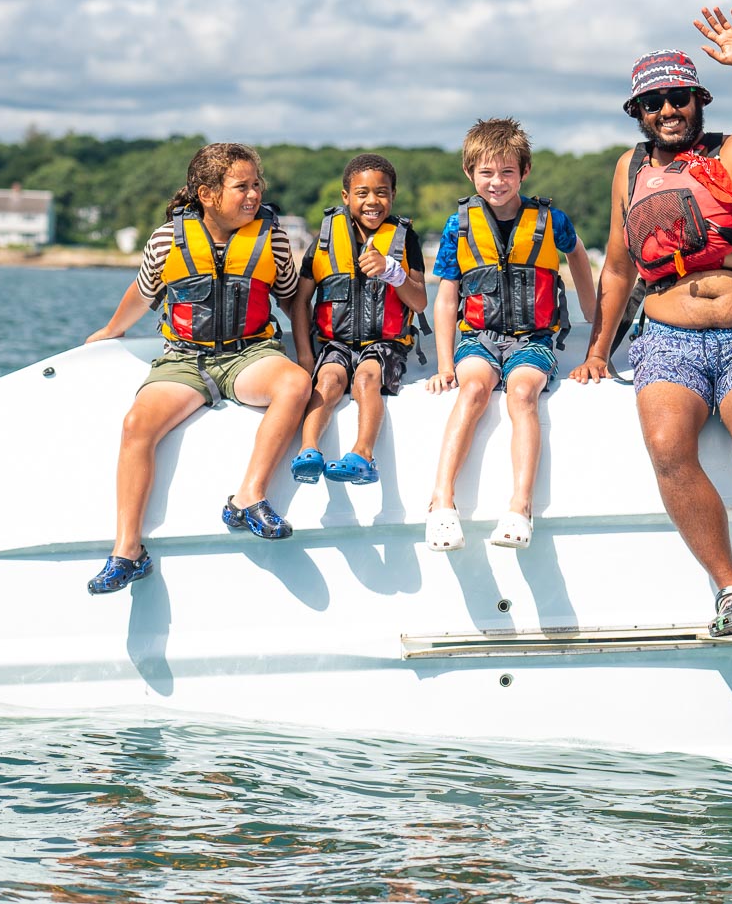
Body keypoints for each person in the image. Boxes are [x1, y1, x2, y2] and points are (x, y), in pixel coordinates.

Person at [569, 7, 732, 636]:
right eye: (653, 103)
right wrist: (598, 349)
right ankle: (730, 589)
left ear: (698, 101)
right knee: (668, 448)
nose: (667, 111)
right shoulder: (628, 168)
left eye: (678, 98)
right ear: (638, 112)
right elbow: (617, 268)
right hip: (666, 336)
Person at [82, 143, 312, 594]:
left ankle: (249, 496)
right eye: (241, 186)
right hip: (186, 358)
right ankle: (128, 550)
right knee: (136, 426)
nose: (253, 195)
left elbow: (291, 299)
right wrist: (109, 330)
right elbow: (142, 292)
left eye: (256, 185)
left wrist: (306, 354)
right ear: (207, 193)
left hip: (250, 354)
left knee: (295, 384)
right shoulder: (167, 239)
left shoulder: (274, 239)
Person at [425, 118, 597, 551]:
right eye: (486, 172)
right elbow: (446, 299)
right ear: (470, 174)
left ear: (524, 172)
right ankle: (441, 503)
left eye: (506, 172)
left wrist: (592, 315)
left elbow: (576, 254)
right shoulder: (457, 225)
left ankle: (520, 508)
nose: (497, 182)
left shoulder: (550, 220)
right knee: (474, 390)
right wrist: (445, 363)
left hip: (533, 339)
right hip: (477, 338)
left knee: (521, 394)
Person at [290, 153, 429, 486]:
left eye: (381, 192)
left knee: (366, 379)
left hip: (385, 345)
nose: (373, 201)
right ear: (345, 196)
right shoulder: (323, 239)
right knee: (328, 381)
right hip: (335, 343)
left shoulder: (405, 238)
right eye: (362, 193)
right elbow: (300, 302)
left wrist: (393, 272)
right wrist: (306, 355)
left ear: (393, 195)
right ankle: (309, 450)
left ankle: (363, 455)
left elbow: (420, 301)